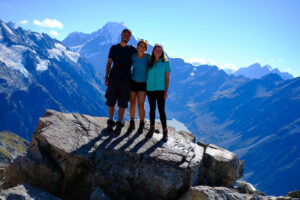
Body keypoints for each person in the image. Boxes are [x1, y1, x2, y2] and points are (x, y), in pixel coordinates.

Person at [104, 28, 137, 132]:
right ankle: (110, 121)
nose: (126, 36)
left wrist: (132, 73)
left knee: (122, 103)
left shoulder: (132, 50)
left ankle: (119, 123)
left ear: (130, 37)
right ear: (121, 35)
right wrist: (106, 77)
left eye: (128, 35)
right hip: (113, 78)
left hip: (126, 81)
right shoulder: (114, 48)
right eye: (125, 34)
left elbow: (138, 61)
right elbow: (109, 63)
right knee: (111, 101)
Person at [146, 44, 171, 142]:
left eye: (159, 50)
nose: (157, 52)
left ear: (162, 52)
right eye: (156, 50)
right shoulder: (149, 61)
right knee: (152, 109)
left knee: (161, 110)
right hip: (150, 89)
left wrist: (166, 91)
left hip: (160, 90)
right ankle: (151, 127)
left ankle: (165, 131)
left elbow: (167, 78)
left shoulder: (166, 63)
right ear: (153, 51)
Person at [129, 39, 150, 131]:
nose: (141, 47)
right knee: (132, 103)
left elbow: (156, 62)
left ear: (146, 48)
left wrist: (165, 62)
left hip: (142, 84)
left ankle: (142, 123)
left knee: (140, 105)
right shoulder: (133, 56)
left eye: (144, 46)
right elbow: (130, 67)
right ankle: (132, 122)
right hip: (133, 82)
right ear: (137, 46)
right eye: (140, 45)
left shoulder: (148, 57)